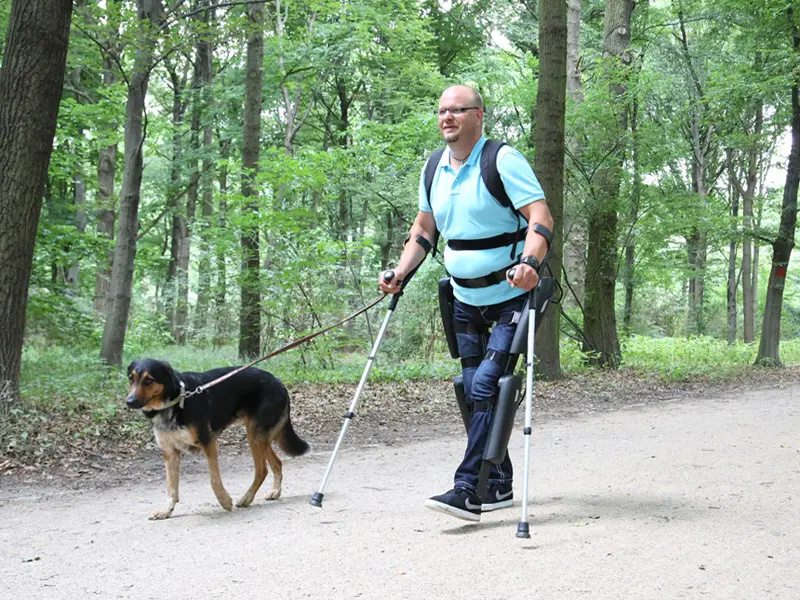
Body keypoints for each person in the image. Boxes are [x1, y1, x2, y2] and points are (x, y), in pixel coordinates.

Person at [378, 85, 554, 522]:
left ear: (478, 116)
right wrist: (400, 271)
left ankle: (468, 489)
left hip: (512, 295)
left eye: (457, 110)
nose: (447, 118)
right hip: (463, 298)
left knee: (485, 387)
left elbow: (541, 217)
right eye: (441, 111)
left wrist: (531, 262)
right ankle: (498, 484)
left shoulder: (503, 160)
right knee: (471, 392)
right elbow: (424, 228)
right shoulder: (434, 167)